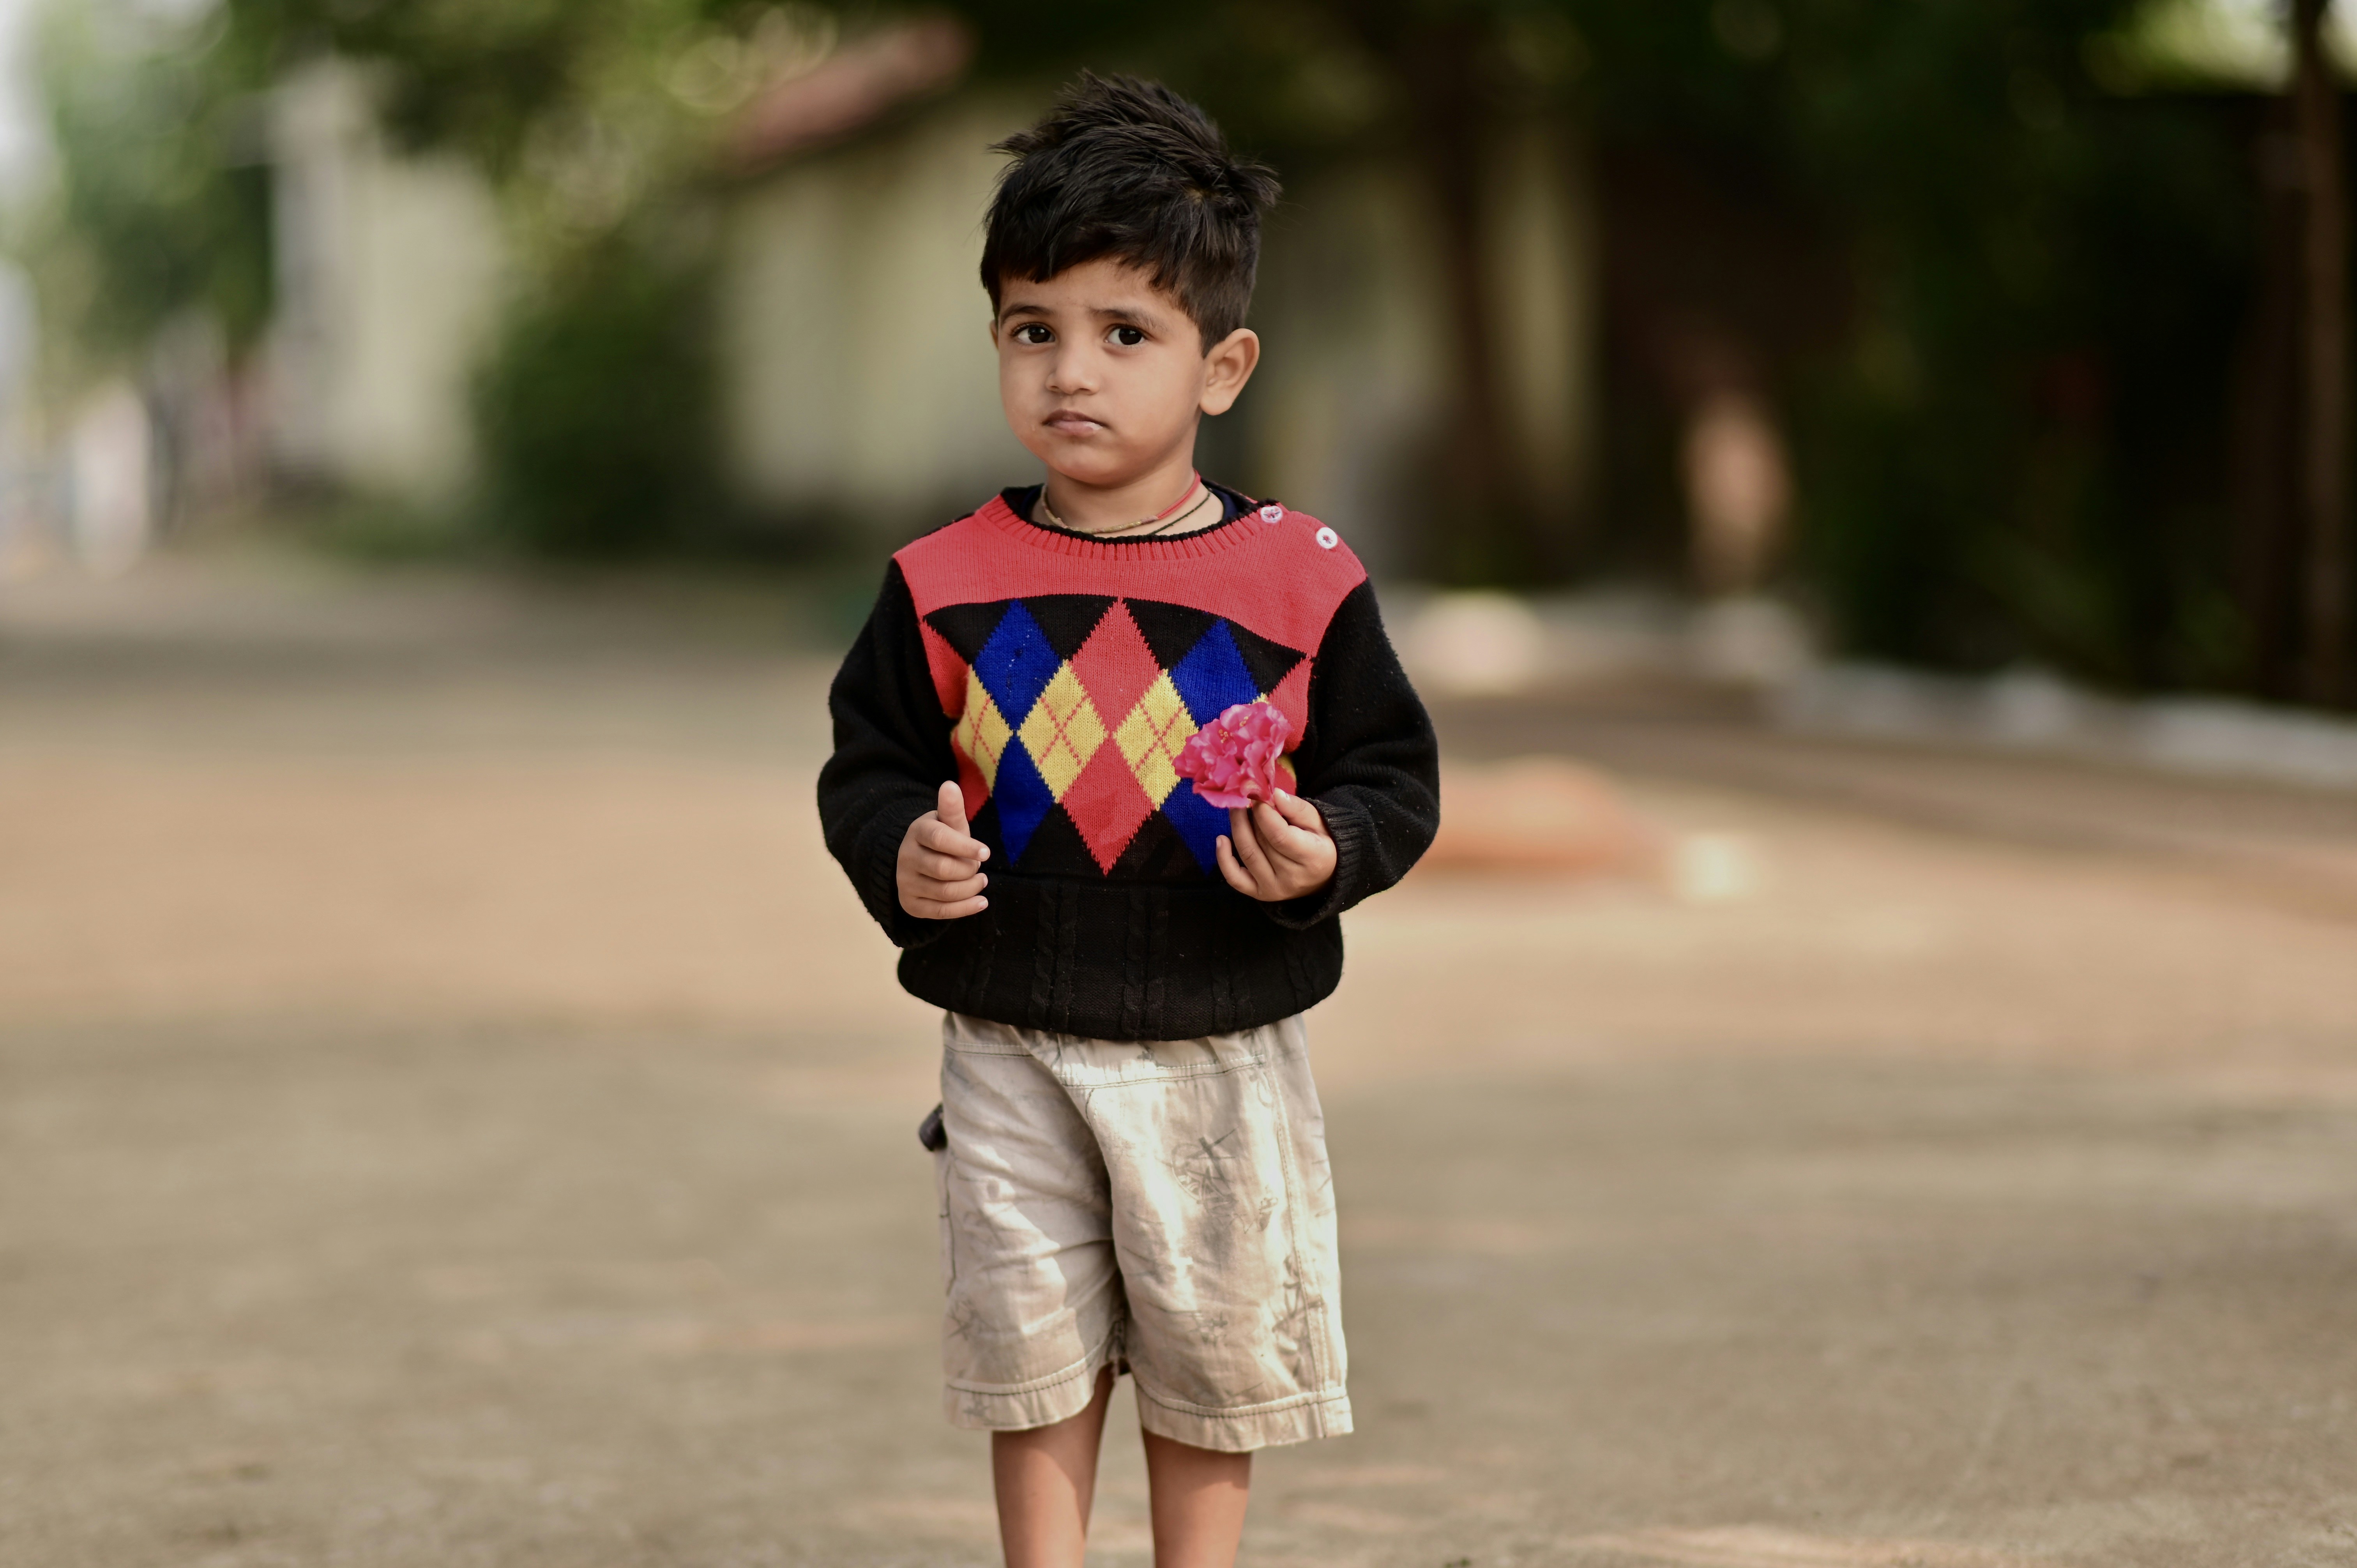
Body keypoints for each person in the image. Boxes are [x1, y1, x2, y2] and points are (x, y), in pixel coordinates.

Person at [817, 72, 1439, 1568]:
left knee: (1210, 1353)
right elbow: (870, 764)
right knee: (1028, 1343)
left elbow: (1392, 777)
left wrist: (1331, 856)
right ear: (997, 345)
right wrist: (901, 850)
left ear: (1222, 368)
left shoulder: (1303, 581)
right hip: (1012, 1035)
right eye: (1036, 330)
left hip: (1223, 1031)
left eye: (1125, 334)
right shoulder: (941, 581)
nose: (1071, 374)